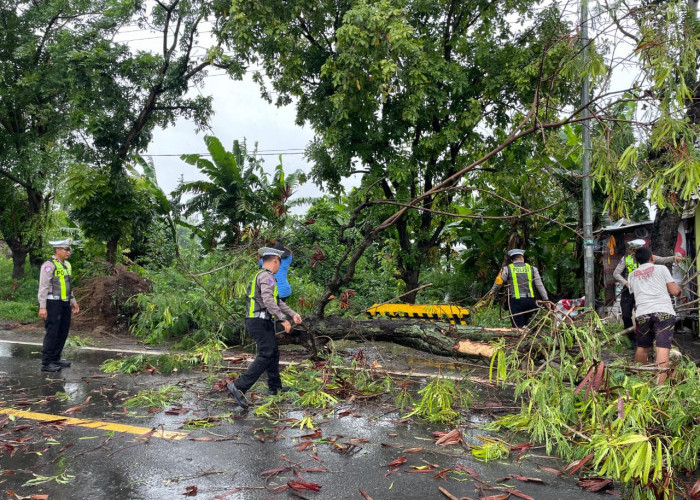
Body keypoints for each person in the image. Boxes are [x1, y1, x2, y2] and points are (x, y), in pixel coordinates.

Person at [228, 247, 303, 408]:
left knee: (273, 352)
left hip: (263, 321)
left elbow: (277, 301)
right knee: (266, 353)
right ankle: (239, 386)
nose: (279, 267)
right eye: (279, 264)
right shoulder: (266, 276)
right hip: (258, 321)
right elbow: (268, 301)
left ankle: (275, 388)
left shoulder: (267, 277)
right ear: (275, 260)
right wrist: (283, 320)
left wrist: (292, 313)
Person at [628, 246, 681, 385]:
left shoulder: (632, 275)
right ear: (652, 257)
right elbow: (674, 291)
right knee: (662, 348)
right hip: (663, 312)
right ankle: (660, 387)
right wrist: (680, 292)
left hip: (642, 314)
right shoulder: (662, 269)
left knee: (643, 347)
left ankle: (639, 380)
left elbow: (635, 297)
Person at [612, 239, 681, 346]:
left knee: (644, 314)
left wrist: (673, 258)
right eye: (633, 250)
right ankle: (631, 340)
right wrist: (626, 283)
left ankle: (648, 338)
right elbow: (616, 273)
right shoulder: (626, 259)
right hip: (629, 290)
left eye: (636, 250)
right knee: (626, 315)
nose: (634, 252)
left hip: (643, 290)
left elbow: (662, 260)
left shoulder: (647, 257)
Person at [37, 239, 79, 372]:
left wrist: (73, 301)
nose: (68, 252)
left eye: (69, 250)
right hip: (52, 303)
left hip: (65, 302)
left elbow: (68, 286)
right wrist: (42, 307)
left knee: (63, 331)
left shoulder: (67, 265)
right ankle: (46, 362)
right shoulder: (49, 265)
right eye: (66, 249)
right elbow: (43, 287)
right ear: (57, 250)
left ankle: (56, 359)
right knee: (52, 332)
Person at [488, 249, 551, 328]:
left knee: (518, 327)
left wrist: (493, 291)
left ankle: (520, 338)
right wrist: (546, 300)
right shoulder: (532, 268)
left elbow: (498, 282)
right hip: (531, 301)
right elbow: (540, 285)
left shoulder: (507, 268)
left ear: (512, 260)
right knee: (530, 326)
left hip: (517, 302)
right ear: (522, 258)